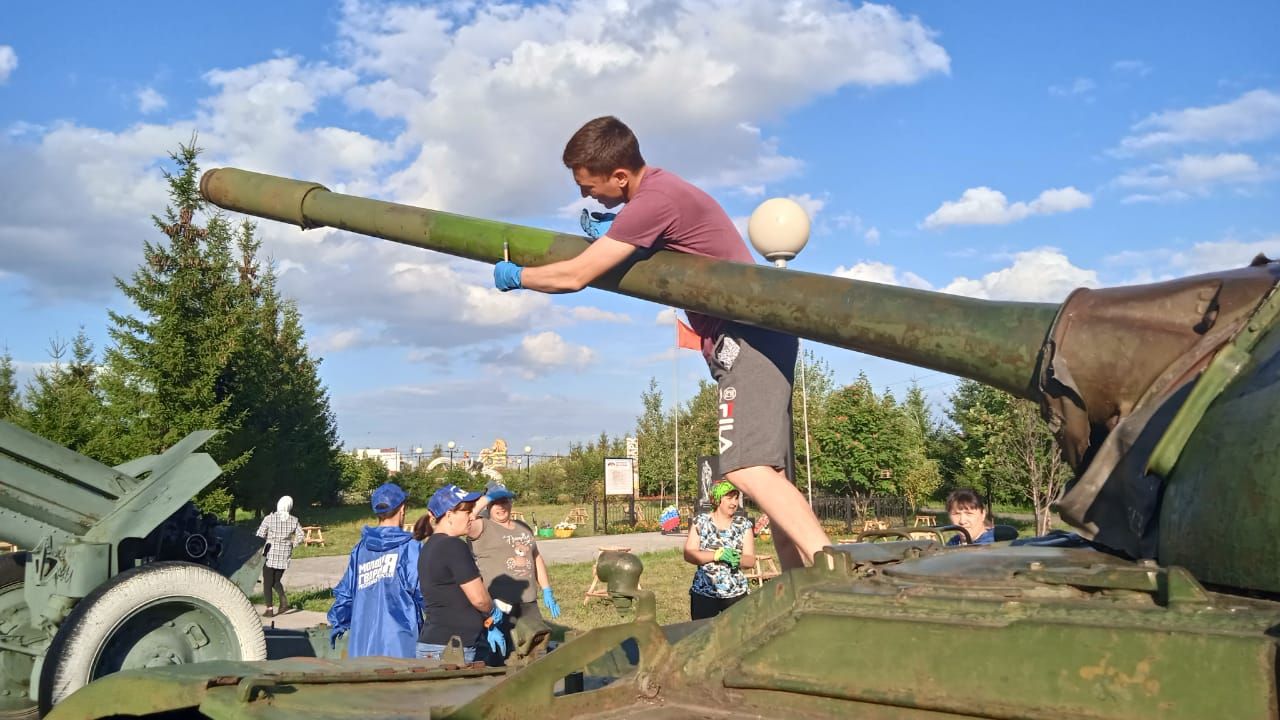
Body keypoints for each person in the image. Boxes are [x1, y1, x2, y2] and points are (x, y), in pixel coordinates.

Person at [492, 115, 831, 569]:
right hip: (757, 336)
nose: (585, 195)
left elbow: (576, 276)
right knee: (770, 478)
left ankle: (831, 564)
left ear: (619, 175)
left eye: (589, 185)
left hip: (745, 335)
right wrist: (620, 229)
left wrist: (519, 277)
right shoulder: (661, 195)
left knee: (745, 469)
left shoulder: (655, 200)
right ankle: (802, 582)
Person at [327, 483, 424, 658]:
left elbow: (346, 595)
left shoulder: (361, 549)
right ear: (402, 509)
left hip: (362, 643)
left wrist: (339, 622)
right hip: (400, 646)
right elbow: (424, 593)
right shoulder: (410, 548)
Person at [414, 484, 508, 663]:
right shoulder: (453, 546)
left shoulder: (430, 546)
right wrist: (492, 612)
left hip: (437, 643)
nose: (472, 516)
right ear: (449, 515)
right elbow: (478, 598)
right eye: (467, 512)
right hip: (451, 650)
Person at [467, 486, 561, 662]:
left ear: (511, 503)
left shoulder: (523, 527)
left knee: (535, 649)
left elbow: (536, 557)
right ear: (488, 506)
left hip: (528, 602)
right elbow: (465, 521)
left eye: (504, 501)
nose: (501, 506)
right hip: (499, 606)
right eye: (495, 503)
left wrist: (547, 590)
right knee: (500, 656)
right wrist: (486, 499)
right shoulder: (482, 527)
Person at [684, 480, 756, 620]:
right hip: (704, 593)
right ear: (717, 500)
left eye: (736, 498)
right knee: (705, 637)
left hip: (736, 593)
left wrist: (738, 559)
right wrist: (717, 555)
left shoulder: (743, 525)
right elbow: (689, 554)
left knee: (737, 637)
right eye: (729, 498)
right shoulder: (701, 522)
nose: (734, 503)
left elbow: (750, 560)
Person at [255, 495, 304, 617]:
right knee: (276, 580)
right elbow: (301, 536)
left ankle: (270, 609)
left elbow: (260, 534)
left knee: (267, 582)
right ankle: (283, 600)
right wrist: (293, 544)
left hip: (270, 553)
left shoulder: (269, 519)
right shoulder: (294, 520)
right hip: (285, 553)